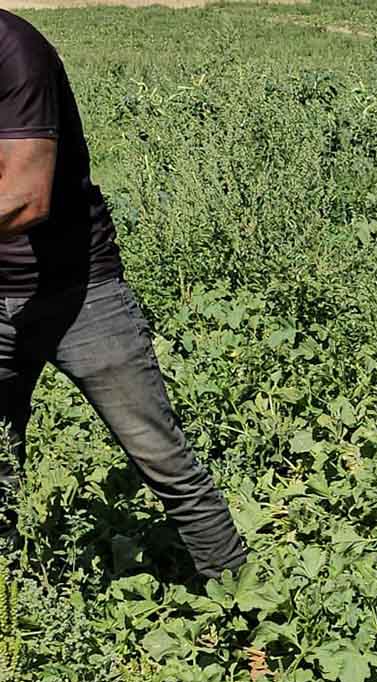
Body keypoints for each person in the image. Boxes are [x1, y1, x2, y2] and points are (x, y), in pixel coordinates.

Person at [0, 10, 246, 579]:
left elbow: (26, 199)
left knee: (162, 458)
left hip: (79, 293)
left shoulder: (14, 52)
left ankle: (246, 600)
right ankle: (10, 596)